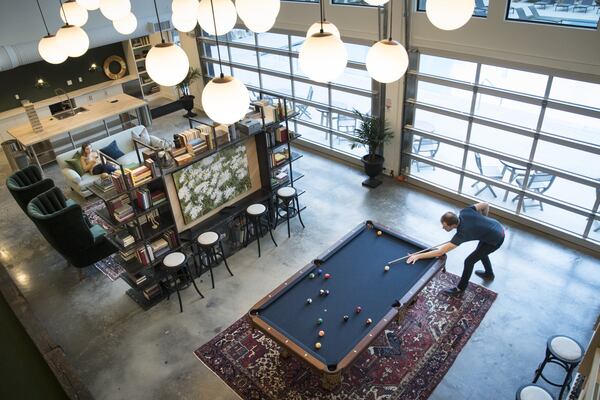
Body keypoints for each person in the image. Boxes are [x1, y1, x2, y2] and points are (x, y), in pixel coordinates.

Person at [406, 202, 505, 296]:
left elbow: (440, 252)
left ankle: (460, 288)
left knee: (469, 261)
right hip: (495, 227)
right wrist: (483, 219)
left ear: (453, 225)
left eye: (445, 226)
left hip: (496, 238)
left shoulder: (461, 234)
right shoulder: (465, 211)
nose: (442, 228)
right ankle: (489, 274)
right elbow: (485, 205)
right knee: (481, 252)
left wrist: (418, 256)